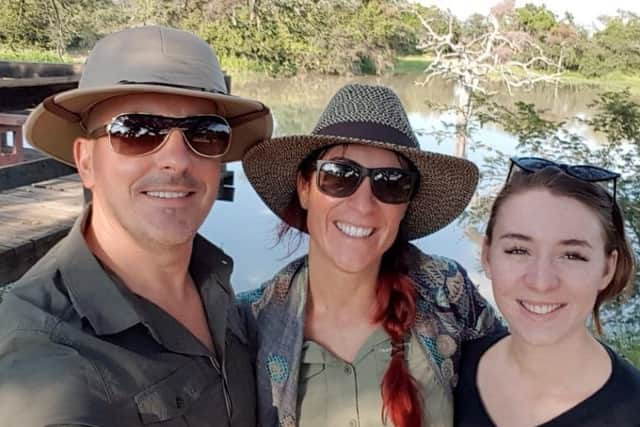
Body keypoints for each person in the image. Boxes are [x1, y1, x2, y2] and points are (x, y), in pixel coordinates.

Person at [0, 26, 272, 426]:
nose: (177, 160)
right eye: (137, 132)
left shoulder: (211, 278)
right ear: (87, 161)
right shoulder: (44, 352)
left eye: (204, 134)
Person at [239, 83, 504, 427]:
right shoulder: (250, 324)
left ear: (406, 204)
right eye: (339, 176)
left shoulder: (446, 293)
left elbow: (522, 377)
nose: (363, 206)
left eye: (391, 182)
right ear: (305, 188)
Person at [454, 157, 640, 427]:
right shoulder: (448, 372)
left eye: (572, 255)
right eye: (518, 250)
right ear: (487, 256)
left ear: (607, 269)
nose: (541, 282)